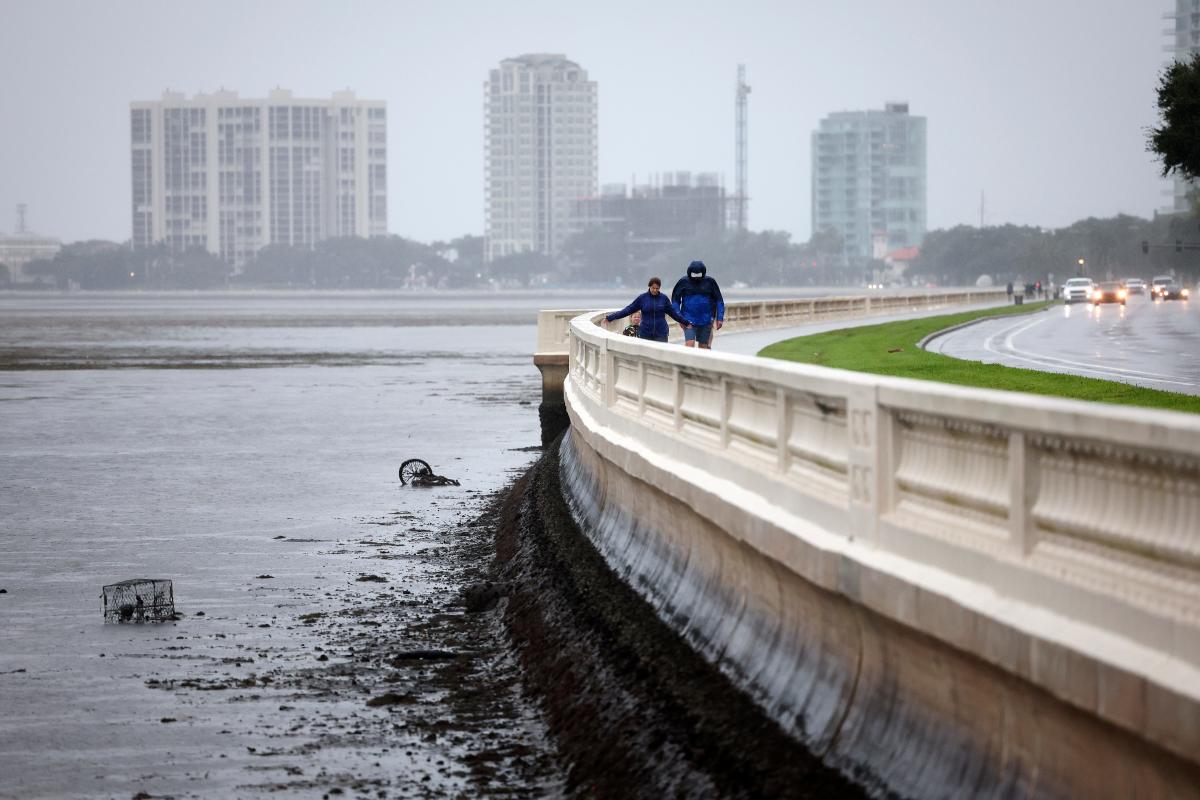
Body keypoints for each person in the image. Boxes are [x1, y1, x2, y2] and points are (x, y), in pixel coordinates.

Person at [604, 277, 689, 343]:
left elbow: (673, 313)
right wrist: (611, 317)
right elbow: (628, 310)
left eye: (657, 288)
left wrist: (686, 322)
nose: (655, 290)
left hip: (661, 333)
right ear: (649, 286)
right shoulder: (642, 298)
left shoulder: (664, 298)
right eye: (653, 288)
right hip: (645, 333)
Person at [671, 260, 724, 349]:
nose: (696, 278)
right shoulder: (683, 282)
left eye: (698, 275)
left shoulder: (710, 282)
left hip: (705, 321)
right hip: (688, 320)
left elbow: (719, 301)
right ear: (689, 272)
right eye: (694, 275)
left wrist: (720, 318)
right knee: (689, 345)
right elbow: (675, 301)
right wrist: (679, 318)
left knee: (703, 347)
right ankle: (687, 363)